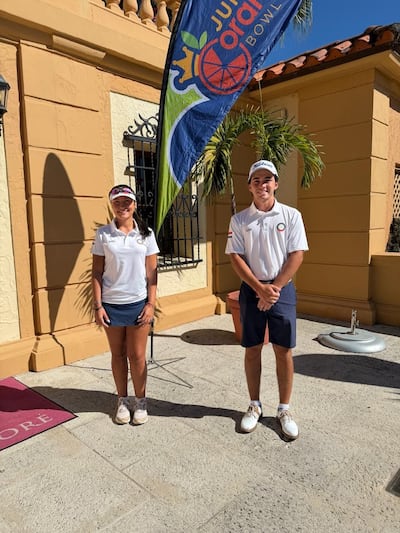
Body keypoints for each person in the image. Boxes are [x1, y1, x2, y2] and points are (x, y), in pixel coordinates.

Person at [225, 160, 308, 439]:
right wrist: (260, 289)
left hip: (282, 290)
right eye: (256, 180)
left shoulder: (291, 215)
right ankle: (254, 405)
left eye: (267, 179)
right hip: (252, 291)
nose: (262, 185)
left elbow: (297, 254)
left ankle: (284, 409)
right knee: (252, 349)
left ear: (276, 183)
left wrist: (273, 289)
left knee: (283, 350)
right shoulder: (239, 220)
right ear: (249, 186)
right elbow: (236, 257)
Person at [91, 184, 159, 425]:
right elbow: (97, 272)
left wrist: (151, 304)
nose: (122, 206)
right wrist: (98, 306)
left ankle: (140, 401)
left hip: (138, 304)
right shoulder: (104, 234)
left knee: (137, 356)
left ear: (134, 205)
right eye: (117, 202)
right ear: (112, 205)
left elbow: (152, 272)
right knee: (118, 355)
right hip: (111, 306)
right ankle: (122, 399)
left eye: (126, 201)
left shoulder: (146, 234)